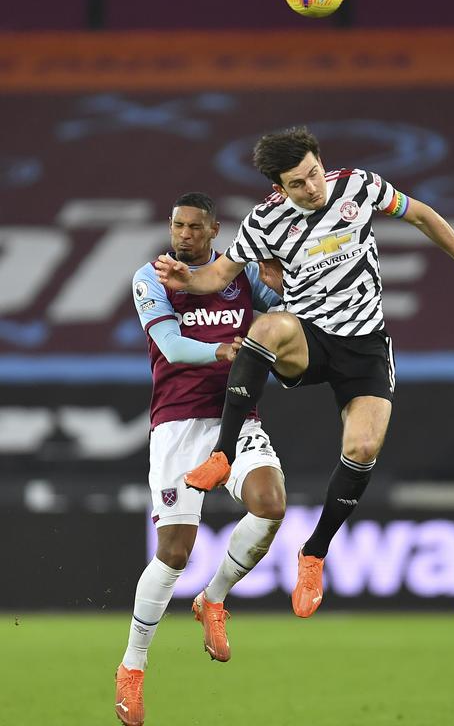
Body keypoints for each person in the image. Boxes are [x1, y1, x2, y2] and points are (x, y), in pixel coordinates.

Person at [154, 126, 454, 621]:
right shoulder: (264, 221)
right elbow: (217, 277)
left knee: (363, 448)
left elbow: (420, 213)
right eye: (298, 184)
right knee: (267, 327)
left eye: (314, 174)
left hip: (367, 347)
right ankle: (223, 454)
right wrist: (187, 279)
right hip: (310, 338)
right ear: (278, 187)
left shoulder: (358, 186)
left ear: (320, 162)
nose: (313, 188)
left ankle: (314, 552)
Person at [115, 192, 285, 726]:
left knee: (271, 503)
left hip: (236, 419)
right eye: (176, 225)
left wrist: (280, 283)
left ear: (215, 231)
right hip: (177, 425)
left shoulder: (239, 276)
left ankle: (213, 599)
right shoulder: (152, 277)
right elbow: (170, 345)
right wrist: (224, 349)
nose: (182, 235)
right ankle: (133, 667)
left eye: (194, 227)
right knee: (174, 552)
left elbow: (284, 310)